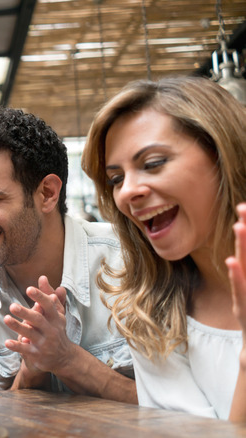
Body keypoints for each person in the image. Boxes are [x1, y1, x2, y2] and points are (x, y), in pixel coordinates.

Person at [81, 76, 246, 420]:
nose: (126, 192)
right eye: (116, 179)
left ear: (223, 155)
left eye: (153, 163)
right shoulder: (150, 318)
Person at [0, 108, 136, 403]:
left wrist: (67, 360)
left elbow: (184, 408)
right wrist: (31, 369)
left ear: (47, 193)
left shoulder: (132, 262)